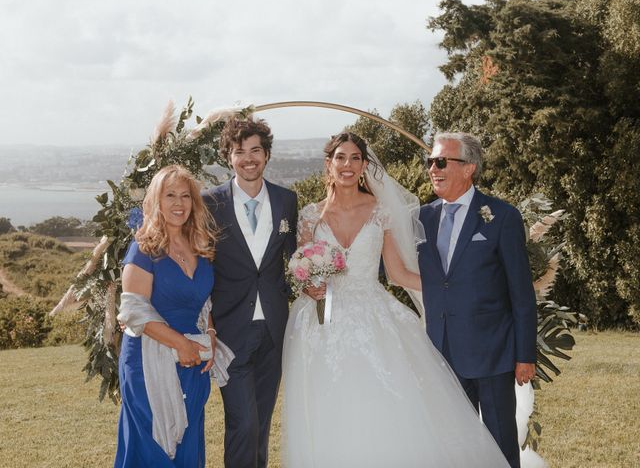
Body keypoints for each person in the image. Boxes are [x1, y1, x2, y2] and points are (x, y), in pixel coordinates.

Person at [282, 131, 509, 467]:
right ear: (328, 164)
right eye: (340, 158)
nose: (348, 165)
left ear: (363, 165)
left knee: (381, 405)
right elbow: (303, 272)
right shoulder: (310, 217)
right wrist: (309, 287)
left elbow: (399, 274)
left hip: (373, 319)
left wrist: (454, 290)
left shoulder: (380, 211)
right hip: (321, 326)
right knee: (328, 408)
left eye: (355, 158)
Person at [417, 132, 538, 468]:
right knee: (454, 448)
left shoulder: (502, 216)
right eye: (430, 162)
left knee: (499, 447)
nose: (433, 169)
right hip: (442, 353)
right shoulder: (422, 219)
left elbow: (521, 292)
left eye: (441, 161)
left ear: (468, 167)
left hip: (493, 355)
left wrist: (525, 354)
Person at [202, 116, 298, 468]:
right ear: (229, 157)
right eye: (239, 151)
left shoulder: (288, 201)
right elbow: (201, 268)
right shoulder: (209, 203)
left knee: (261, 424)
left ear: (267, 154)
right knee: (243, 423)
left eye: (255, 150)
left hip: (274, 330)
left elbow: (293, 259)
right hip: (230, 332)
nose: (248, 158)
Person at [114, 165, 219, 467]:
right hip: (149, 362)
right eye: (170, 195)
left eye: (185, 196)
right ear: (155, 202)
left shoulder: (200, 247)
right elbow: (133, 310)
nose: (178, 203)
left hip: (192, 363)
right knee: (153, 449)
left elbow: (204, 303)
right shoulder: (143, 249)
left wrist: (210, 335)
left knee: (188, 448)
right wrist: (180, 344)